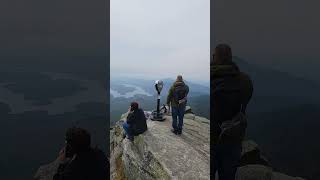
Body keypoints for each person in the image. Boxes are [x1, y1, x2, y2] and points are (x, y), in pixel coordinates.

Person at [211, 44, 253, 180]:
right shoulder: (244, 80)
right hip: (232, 137)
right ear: (230, 58)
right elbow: (245, 102)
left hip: (211, 137)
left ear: (214, 57)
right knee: (228, 175)